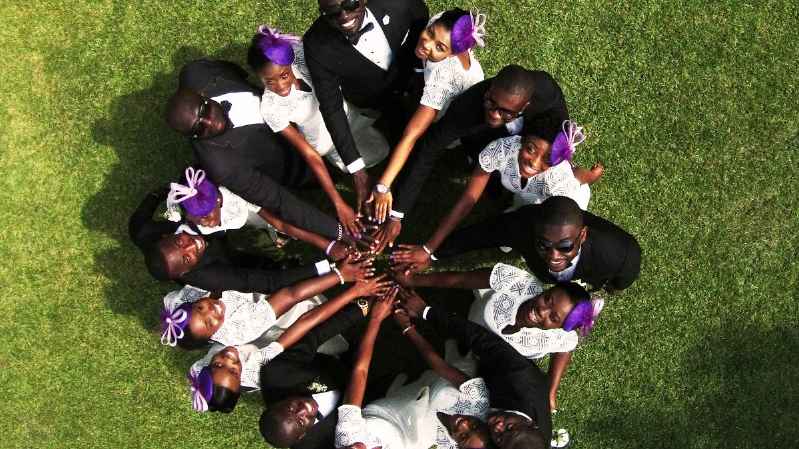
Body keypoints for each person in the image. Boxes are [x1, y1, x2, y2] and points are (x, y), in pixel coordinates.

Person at [372, 65, 570, 252]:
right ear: (489, 90)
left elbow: (558, 118)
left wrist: (553, 150)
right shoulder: (466, 108)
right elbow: (427, 151)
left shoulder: (545, 91)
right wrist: (397, 215)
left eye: (505, 111)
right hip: (483, 141)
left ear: (525, 105)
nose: (493, 114)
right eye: (491, 102)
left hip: (530, 138)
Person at [165, 59, 341, 240]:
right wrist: (339, 231)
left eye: (205, 111)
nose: (210, 122)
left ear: (202, 94)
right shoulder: (223, 167)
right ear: (192, 137)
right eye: (199, 128)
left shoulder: (196, 71)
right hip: (302, 167)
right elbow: (280, 201)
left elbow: (233, 70)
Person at [392, 262, 603, 411]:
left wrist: (551, 389)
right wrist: (414, 279)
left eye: (554, 317)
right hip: (472, 318)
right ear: (549, 288)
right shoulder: (518, 281)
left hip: (487, 358)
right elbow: (460, 279)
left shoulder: (558, 337)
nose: (542, 311)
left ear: (559, 328)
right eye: (548, 299)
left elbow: (566, 347)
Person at [391, 121, 604, 267]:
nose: (534, 162)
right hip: (527, 197)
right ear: (522, 140)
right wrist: (429, 248)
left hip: (557, 210)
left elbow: (556, 224)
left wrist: (589, 177)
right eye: (531, 149)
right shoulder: (500, 150)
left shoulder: (561, 182)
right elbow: (467, 200)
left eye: (547, 159)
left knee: (528, 234)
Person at [249, 26, 388, 237]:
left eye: (284, 75)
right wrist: (339, 203)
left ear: (289, 63)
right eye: (269, 81)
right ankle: (369, 190)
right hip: (327, 141)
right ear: (259, 77)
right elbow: (309, 154)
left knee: (384, 142)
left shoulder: (301, 55)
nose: (280, 85)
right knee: (379, 152)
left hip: (349, 113)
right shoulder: (270, 108)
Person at [186, 275, 392, 413]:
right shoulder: (261, 367)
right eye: (234, 371)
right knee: (322, 335)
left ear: (206, 366)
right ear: (241, 380)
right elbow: (307, 325)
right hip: (289, 349)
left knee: (294, 303)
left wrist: (353, 288)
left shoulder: (201, 366)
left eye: (218, 365)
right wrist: (360, 300)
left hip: (262, 327)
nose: (228, 359)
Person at [303, 0, 429, 213]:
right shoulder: (316, 44)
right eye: (332, 12)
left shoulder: (398, 3)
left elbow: (420, 18)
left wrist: (419, 67)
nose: (343, 17)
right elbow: (331, 107)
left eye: (350, 4)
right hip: (373, 101)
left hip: (415, 81)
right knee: (399, 134)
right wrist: (357, 171)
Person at [368, 8, 487, 223]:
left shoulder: (443, 78)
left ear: (452, 53)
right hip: (431, 82)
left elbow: (411, 136)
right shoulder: (440, 24)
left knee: (417, 140)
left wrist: (383, 185)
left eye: (440, 47)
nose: (427, 44)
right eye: (430, 33)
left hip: (451, 115)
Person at [334, 291, 492, 449]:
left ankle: (405, 385)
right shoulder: (478, 403)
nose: (463, 424)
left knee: (415, 395)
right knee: (456, 360)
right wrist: (407, 327)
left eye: (463, 436)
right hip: (449, 377)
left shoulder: (348, 437)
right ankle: (448, 343)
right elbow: (439, 365)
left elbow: (360, 371)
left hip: (392, 411)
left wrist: (376, 318)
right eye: (474, 427)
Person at [392, 195, 642, 294]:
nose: (552, 256)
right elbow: (479, 235)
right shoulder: (522, 225)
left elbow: (620, 282)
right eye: (543, 245)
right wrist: (432, 255)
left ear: (583, 236)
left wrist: (611, 287)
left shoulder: (623, 255)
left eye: (565, 247)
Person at [400, 290, 551, 449]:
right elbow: (481, 339)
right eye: (510, 427)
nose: (498, 426)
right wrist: (425, 311)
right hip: (500, 373)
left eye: (499, 438)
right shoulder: (519, 376)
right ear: (529, 422)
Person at [258, 283, 401, 449]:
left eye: (292, 407)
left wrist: (365, 307)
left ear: (278, 403)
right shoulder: (319, 444)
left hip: (338, 363)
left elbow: (315, 335)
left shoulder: (277, 374)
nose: (303, 409)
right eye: (300, 421)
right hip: (376, 404)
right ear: (302, 435)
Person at [128, 188, 354, 293]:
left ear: (167, 235)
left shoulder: (143, 232)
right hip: (228, 254)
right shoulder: (206, 277)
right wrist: (329, 267)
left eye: (180, 242)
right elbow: (266, 282)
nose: (192, 245)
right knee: (254, 262)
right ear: (185, 273)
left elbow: (141, 215)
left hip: (226, 216)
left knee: (269, 213)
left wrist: (159, 192)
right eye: (187, 257)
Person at [158, 255, 373, 349]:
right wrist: (340, 275)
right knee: (315, 316)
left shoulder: (186, 299)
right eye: (209, 324)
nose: (212, 311)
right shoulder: (240, 329)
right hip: (284, 310)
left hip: (257, 285)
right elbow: (290, 294)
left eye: (201, 309)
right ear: (211, 337)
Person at [165, 166, 355, 252]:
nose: (202, 222)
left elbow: (279, 222)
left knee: (288, 221)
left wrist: (327, 245)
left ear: (217, 200)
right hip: (246, 223)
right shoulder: (190, 214)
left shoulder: (238, 195)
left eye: (205, 216)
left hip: (256, 209)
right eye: (195, 217)